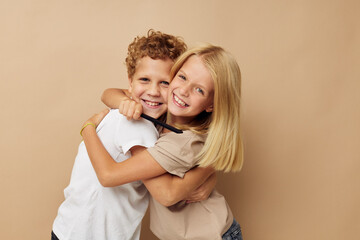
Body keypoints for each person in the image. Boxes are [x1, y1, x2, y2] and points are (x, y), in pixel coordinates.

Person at [51, 30, 216, 240]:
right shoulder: (137, 125)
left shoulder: (143, 116)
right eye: (145, 79)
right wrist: (210, 167)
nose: (154, 91)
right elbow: (166, 192)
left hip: (69, 228)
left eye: (164, 83)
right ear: (131, 82)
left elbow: (108, 93)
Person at [82, 43, 244, 240]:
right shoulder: (163, 111)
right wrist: (126, 104)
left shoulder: (181, 142)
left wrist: (88, 128)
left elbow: (110, 176)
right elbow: (108, 93)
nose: (183, 91)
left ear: (212, 104)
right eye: (182, 77)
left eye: (199, 90)